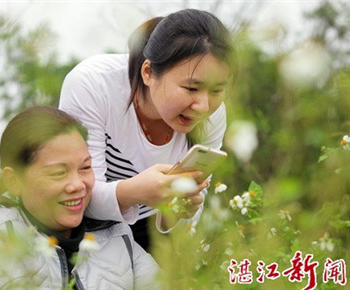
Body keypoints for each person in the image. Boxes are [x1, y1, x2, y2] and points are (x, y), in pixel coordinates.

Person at [59, 8, 236, 252]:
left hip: (148, 234)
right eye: (192, 89)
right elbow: (78, 192)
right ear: (148, 72)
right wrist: (135, 192)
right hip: (77, 227)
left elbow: (188, 215)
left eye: (217, 90)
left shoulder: (213, 116)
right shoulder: (93, 85)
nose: (203, 106)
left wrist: (177, 211)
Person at [0, 106, 160, 289]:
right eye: (58, 173)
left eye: (86, 168)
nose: (78, 185)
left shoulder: (116, 232)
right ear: (13, 180)